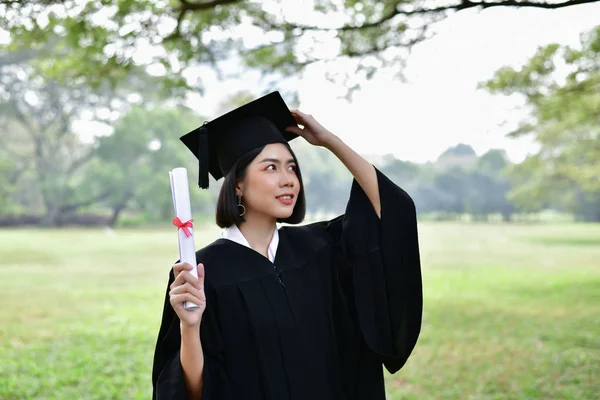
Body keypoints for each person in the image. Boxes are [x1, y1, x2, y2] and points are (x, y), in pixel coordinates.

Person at [152, 92, 422, 400]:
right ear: (237, 183)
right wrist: (190, 326)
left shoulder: (323, 248)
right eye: (271, 168)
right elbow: (191, 391)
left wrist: (330, 141)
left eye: (291, 167)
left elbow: (391, 212)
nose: (289, 180)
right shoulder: (201, 273)